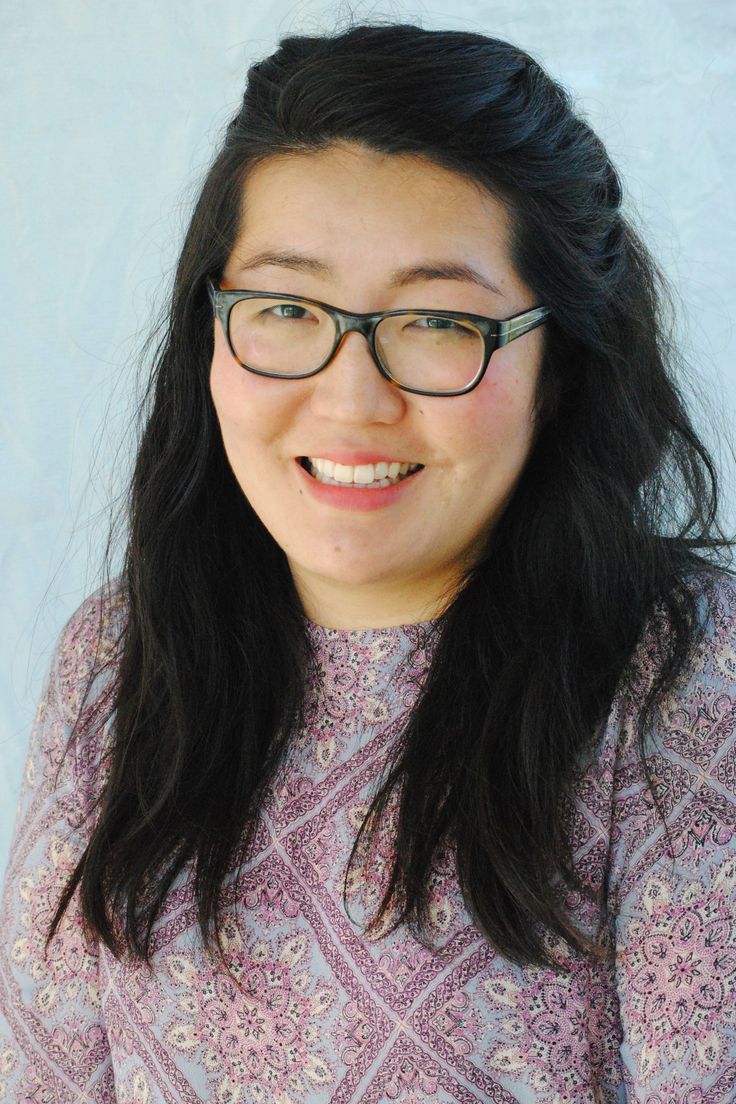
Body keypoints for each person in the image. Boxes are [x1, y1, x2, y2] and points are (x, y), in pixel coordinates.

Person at [1, 20, 734, 1104]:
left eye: (438, 321)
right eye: (287, 309)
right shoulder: (120, 654)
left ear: (563, 361)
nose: (351, 400)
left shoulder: (686, 675)